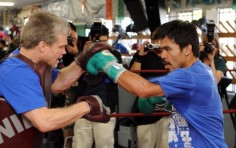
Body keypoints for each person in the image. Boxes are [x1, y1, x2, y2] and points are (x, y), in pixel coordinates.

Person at [79, 20, 228, 147]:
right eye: (161, 49)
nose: (163, 55)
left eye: (168, 49)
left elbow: (143, 89)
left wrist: (107, 63)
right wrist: (167, 103)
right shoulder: (201, 70)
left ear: (188, 49)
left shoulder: (189, 75)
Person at [0, 10, 110, 148]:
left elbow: (58, 82)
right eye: (60, 46)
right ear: (43, 46)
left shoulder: (33, 63)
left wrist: (84, 58)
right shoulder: (16, 72)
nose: (64, 51)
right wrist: (87, 106)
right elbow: (44, 121)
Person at [72, 24, 122, 148]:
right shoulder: (82, 54)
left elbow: (118, 78)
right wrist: (84, 53)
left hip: (106, 104)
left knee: (104, 144)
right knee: (80, 144)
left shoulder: (114, 54)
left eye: (104, 41)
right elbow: (71, 76)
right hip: (82, 104)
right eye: (98, 42)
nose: (101, 45)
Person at [129, 37, 170, 147]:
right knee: (145, 144)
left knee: (166, 145)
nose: (158, 43)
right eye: (156, 39)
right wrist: (139, 56)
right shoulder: (144, 55)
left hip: (167, 109)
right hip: (146, 109)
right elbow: (132, 78)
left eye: (161, 39)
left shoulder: (171, 55)